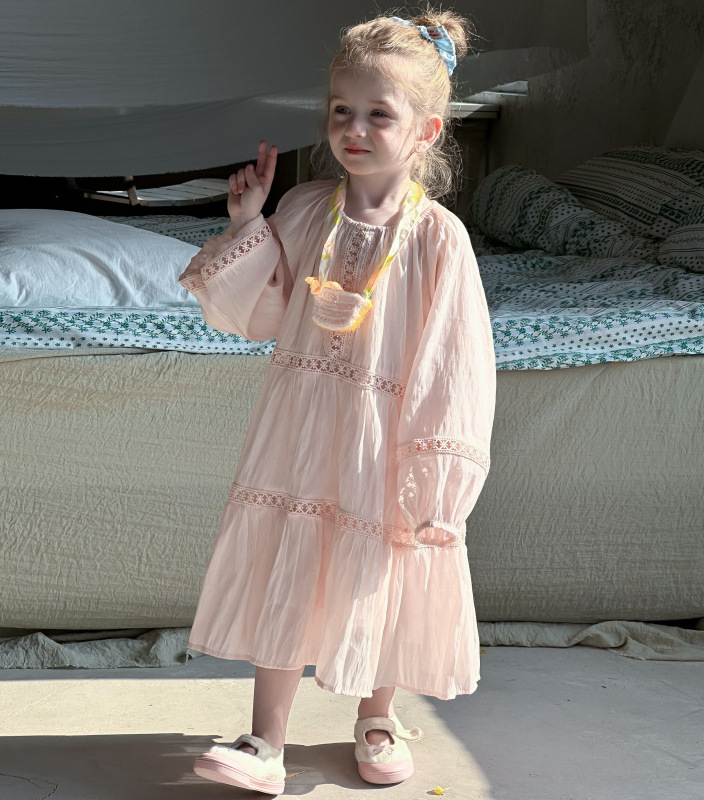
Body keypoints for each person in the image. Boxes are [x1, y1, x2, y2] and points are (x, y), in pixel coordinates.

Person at [179, 8, 495, 796]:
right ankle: (266, 738)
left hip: (385, 440)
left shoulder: (438, 239)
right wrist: (249, 224)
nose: (354, 129)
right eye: (340, 110)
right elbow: (259, 313)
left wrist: (436, 474)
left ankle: (377, 717)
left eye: (378, 114)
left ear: (425, 131)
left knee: (379, 567)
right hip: (301, 433)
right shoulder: (307, 209)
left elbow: (454, 362)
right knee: (289, 560)